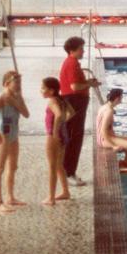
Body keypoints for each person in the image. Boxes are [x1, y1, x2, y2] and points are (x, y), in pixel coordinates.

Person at [0, 70, 31, 213]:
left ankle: (10, 197)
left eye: (20, 82)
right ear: (6, 84)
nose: (19, 85)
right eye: (16, 82)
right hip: (2, 134)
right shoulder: (1, 97)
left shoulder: (17, 96)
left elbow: (26, 114)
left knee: (13, 167)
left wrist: (17, 100)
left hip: (14, 135)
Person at [58, 36, 99, 187]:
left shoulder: (72, 62)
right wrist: (89, 84)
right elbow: (75, 87)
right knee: (74, 138)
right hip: (74, 103)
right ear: (72, 50)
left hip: (74, 103)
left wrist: (87, 83)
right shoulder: (72, 64)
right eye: (81, 49)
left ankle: (69, 171)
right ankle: (68, 173)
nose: (83, 51)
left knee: (74, 137)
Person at [40, 77, 73, 206]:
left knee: (52, 166)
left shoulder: (52, 101)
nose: (41, 90)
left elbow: (58, 115)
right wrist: (62, 125)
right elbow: (71, 112)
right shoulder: (62, 99)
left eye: (43, 88)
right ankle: (65, 192)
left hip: (53, 136)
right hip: (63, 134)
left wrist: (54, 131)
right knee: (59, 165)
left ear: (51, 90)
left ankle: (51, 198)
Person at [95, 88, 127, 171]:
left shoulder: (105, 106)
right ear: (117, 99)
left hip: (106, 137)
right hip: (104, 139)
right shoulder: (109, 111)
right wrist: (113, 146)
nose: (121, 101)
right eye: (121, 98)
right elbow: (103, 130)